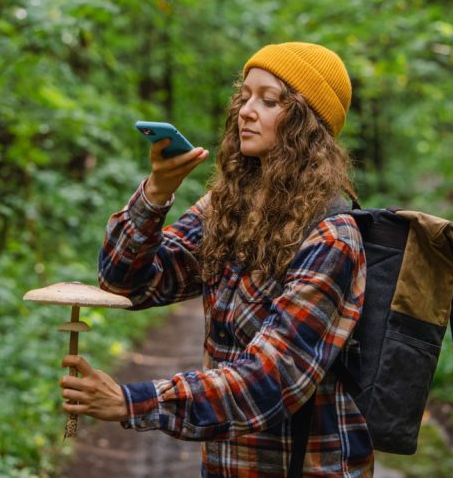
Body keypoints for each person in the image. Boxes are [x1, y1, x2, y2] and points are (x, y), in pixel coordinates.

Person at [60, 42, 372, 477]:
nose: (246, 110)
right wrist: (156, 193)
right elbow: (125, 282)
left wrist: (130, 401)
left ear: (307, 124)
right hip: (226, 466)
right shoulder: (226, 208)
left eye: (269, 100)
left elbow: (271, 380)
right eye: (244, 96)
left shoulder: (332, 236)